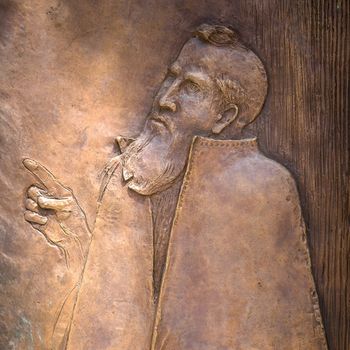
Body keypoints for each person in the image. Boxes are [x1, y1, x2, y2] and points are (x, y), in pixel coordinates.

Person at [23, 24, 327, 350]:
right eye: (171, 78)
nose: (165, 99)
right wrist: (82, 246)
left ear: (224, 117)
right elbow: (120, 324)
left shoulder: (262, 189)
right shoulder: (122, 177)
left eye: (192, 87)